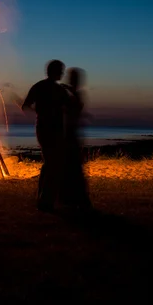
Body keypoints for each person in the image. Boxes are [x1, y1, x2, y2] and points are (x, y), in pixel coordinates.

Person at [22, 60, 70, 212]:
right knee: (53, 164)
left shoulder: (39, 86)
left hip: (43, 129)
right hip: (52, 129)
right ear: (55, 71)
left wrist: (38, 111)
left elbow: (25, 106)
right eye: (61, 70)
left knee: (49, 163)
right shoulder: (58, 90)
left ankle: (42, 197)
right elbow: (73, 106)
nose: (62, 73)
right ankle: (46, 201)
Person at [61, 68, 92, 210]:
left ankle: (76, 198)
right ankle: (73, 197)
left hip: (70, 134)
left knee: (73, 166)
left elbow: (75, 109)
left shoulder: (76, 95)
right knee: (71, 167)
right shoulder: (73, 94)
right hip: (69, 133)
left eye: (71, 78)